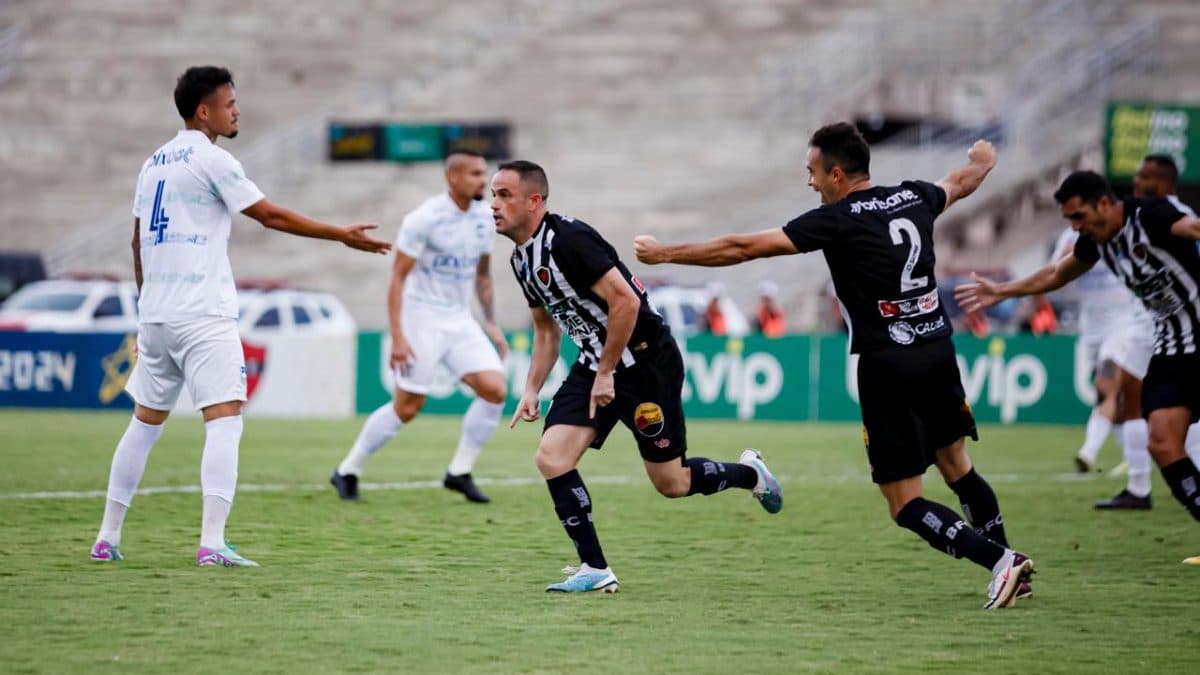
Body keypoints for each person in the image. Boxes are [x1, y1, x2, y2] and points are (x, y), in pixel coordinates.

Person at [635, 122, 1035, 609]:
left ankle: (999, 561)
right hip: (937, 350)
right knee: (958, 467)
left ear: (838, 174)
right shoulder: (913, 197)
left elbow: (742, 249)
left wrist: (666, 253)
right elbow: (958, 183)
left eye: (813, 172)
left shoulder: (838, 219)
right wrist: (983, 163)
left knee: (905, 502)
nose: (810, 182)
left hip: (889, 363)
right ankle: (1011, 560)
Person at [90, 66, 391, 567]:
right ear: (203, 111)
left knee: (144, 423)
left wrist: (147, 312)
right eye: (229, 103)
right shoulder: (212, 158)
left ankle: (107, 537)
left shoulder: (153, 163)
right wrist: (341, 234)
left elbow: (135, 241)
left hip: (159, 314)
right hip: (203, 314)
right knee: (225, 420)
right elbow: (268, 215)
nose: (236, 110)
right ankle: (212, 544)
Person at [494, 160, 783, 593]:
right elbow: (545, 329)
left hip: (646, 364)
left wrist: (608, 372)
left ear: (534, 201)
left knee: (672, 483)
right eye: (492, 196)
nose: (493, 205)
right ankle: (595, 569)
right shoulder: (521, 260)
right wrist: (532, 388)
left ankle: (750, 474)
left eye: (503, 195)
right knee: (552, 457)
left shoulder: (569, 240)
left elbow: (625, 303)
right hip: (596, 364)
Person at [956, 170, 1200, 565]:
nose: (1076, 227)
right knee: (1163, 442)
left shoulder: (1151, 215)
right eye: (1070, 219)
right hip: (1173, 348)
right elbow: (1055, 273)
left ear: (1104, 203)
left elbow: (1192, 227)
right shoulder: (1097, 242)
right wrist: (1001, 290)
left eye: (1079, 216)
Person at [331, 149, 508, 503]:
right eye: (475, 174)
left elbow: (483, 273)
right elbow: (397, 278)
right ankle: (348, 469)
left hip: (459, 318)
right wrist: (398, 336)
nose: (482, 181)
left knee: (495, 389)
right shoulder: (424, 218)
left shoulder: (485, 219)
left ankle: (459, 471)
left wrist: (490, 321)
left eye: (483, 173)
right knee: (408, 406)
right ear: (452, 178)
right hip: (422, 318)